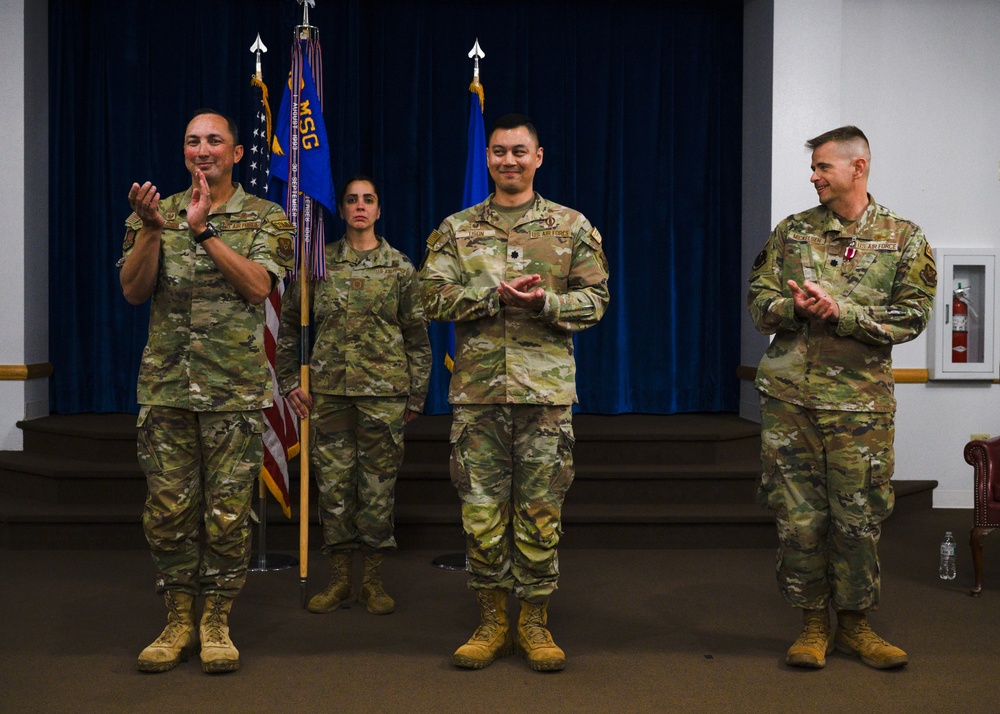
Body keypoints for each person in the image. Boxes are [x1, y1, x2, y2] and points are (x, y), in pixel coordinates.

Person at [419, 113, 610, 672]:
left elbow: (596, 301)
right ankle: (490, 619)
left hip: (545, 400)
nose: (509, 160)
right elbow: (429, 297)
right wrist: (491, 298)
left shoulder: (571, 226)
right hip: (478, 397)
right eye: (499, 151)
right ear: (488, 158)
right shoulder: (457, 229)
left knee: (540, 513)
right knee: (480, 513)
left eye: (519, 151)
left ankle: (533, 620)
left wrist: (544, 304)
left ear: (539, 157)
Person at [747, 125, 937, 670]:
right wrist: (796, 310)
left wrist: (842, 314)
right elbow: (759, 302)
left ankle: (855, 626)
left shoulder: (904, 238)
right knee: (798, 518)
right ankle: (811, 626)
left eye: (823, 167)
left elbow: (913, 317)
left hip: (860, 409)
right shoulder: (792, 233)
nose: (814, 176)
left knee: (858, 518)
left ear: (858, 167)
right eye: (814, 168)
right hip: (791, 402)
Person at [119, 109, 294, 674]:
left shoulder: (268, 217)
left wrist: (203, 231)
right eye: (192, 140)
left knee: (226, 514)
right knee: (168, 512)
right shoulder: (154, 213)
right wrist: (151, 229)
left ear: (236, 154)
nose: (202, 150)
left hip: (233, 393)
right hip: (167, 389)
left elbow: (259, 288)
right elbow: (133, 290)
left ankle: (216, 620)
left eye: (214, 140)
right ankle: (177, 618)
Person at [277, 175, 431, 616]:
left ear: (379, 210)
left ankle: (373, 581)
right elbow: (289, 329)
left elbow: (417, 338)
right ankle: (341, 579)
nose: (360, 206)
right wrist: (289, 382)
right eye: (351, 200)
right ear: (341, 210)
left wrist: (417, 396)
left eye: (368, 200)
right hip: (327, 396)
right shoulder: (317, 265)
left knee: (378, 490)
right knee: (334, 488)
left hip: (383, 397)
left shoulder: (400, 268)